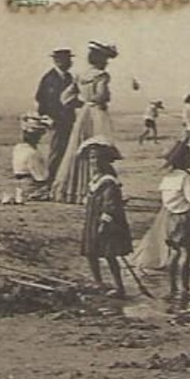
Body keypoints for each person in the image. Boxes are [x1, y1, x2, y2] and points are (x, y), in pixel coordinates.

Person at [53, 41, 121, 204]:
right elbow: (102, 96)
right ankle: (95, 190)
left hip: (84, 114)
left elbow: (64, 98)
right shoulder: (101, 75)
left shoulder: (80, 75)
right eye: (106, 59)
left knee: (79, 148)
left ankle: (73, 190)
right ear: (102, 59)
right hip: (97, 114)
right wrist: (97, 100)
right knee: (98, 150)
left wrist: (82, 102)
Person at [77, 139, 131, 297]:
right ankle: (98, 282)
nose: (93, 162)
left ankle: (119, 287)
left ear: (104, 161)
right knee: (91, 252)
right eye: (91, 158)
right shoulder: (95, 180)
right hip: (92, 221)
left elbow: (111, 205)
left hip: (107, 222)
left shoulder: (108, 181)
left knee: (109, 254)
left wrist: (104, 222)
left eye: (96, 158)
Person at [156, 139, 190, 298]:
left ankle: (172, 286)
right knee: (186, 253)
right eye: (189, 156)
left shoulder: (167, 178)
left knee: (174, 252)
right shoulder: (184, 177)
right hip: (184, 217)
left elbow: (166, 199)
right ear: (184, 159)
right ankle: (185, 288)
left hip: (170, 218)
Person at [36, 48, 77, 176]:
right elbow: (41, 98)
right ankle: (52, 180)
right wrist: (48, 118)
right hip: (56, 121)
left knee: (66, 151)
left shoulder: (68, 77)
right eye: (68, 60)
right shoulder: (49, 78)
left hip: (68, 120)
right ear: (58, 61)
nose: (70, 62)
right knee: (56, 151)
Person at [9, 114, 52, 204]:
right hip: (31, 187)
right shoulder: (33, 153)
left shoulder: (18, 148)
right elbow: (41, 177)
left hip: (19, 185)